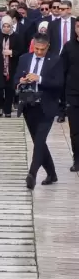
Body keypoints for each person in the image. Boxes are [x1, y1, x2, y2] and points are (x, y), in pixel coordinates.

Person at [17, 33, 63, 189]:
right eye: (36, 49)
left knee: (39, 141)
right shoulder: (24, 58)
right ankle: (52, 173)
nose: (39, 52)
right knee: (39, 142)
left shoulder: (55, 60)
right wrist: (20, 81)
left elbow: (59, 83)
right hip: (29, 106)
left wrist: (40, 79)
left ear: (47, 47)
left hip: (46, 106)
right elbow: (15, 79)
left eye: (42, 49)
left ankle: (32, 174)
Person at [0, 15, 25, 118]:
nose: (6, 28)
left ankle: (7, 110)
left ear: (11, 26)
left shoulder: (17, 37)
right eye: (4, 26)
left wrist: (12, 52)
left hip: (12, 67)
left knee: (10, 90)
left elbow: (22, 51)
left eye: (8, 26)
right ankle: (0, 105)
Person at [61, 19, 79, 171]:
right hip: (73, 93)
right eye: (78, 26)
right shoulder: (69, 47)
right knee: (75, 130)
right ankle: (77, 159)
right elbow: (62, 69)